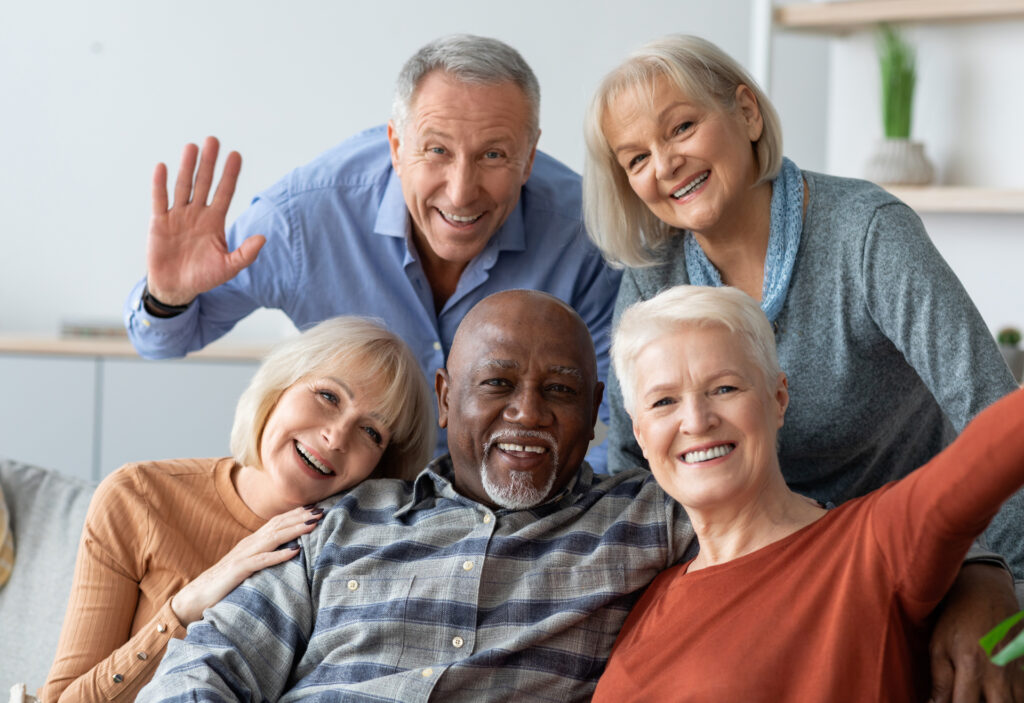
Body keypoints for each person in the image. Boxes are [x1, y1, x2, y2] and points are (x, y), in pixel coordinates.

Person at [137, 290, 1020, 703]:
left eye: (559, 391)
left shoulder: (647, 517)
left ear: (599, 414)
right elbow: (205, 668)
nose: (527, 412)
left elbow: (831, 534)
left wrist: (983, 580)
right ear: (445, 395)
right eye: (497, 384)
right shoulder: (345, 522)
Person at [582, 33, 1024, 577]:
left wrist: (1008, 579)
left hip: (911, 553)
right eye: (637, 158)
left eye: (682, 128)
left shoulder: (867, 233)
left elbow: (995, 416)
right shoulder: (653, 277)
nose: (666, 164)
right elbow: (634, 466)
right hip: (746, 566)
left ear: (747, 113)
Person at [123, 34, 620, 469]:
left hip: (512, 499)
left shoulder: (585, 234)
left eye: (493, 155)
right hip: (348, 488)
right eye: (437, 151)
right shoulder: (303, 220)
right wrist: (167, 298)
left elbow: (621, 415)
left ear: (528, 158)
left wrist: (567, 512)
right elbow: (163, 342)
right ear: (396, 146)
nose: (461, 192)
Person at [593, 284, 1024, 702]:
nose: (696, 421)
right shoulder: (643, 598)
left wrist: (988, 577)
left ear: (778, 399)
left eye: (724, 388)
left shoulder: (870, 544)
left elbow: (998, 445)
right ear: (640, 435)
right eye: (664, 402)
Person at [39, 317, 434, 702]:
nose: (335, 437)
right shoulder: (137, 497)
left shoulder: (364, 556)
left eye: (371, 432)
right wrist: (184, 609)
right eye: (329, 396)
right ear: (280, 387)